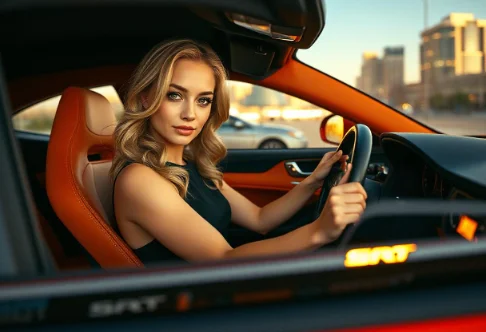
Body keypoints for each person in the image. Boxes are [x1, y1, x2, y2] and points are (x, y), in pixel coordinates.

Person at [110, 39, 367, 264]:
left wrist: (313, 181)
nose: (190, 114)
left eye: (203, 100)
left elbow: (260, 219)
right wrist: (320, 231)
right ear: (145, 98)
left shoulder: (191, 163)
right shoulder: (139, 180)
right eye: (174, 95)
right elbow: (223, 259)